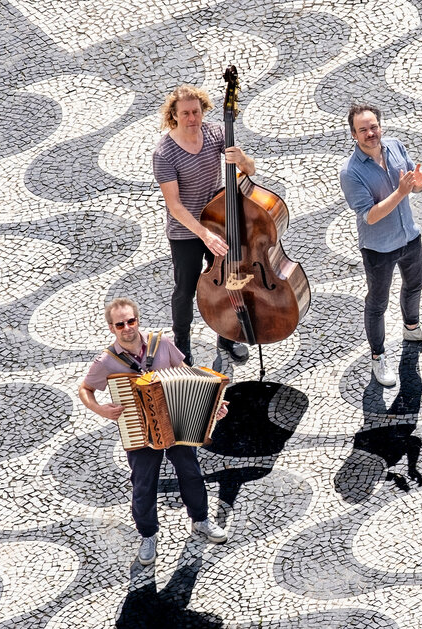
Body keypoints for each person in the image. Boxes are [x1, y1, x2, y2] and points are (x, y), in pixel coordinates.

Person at [78, 298, 229, 566]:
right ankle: (148, 535)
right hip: (138, 430)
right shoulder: (107, 362)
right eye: (120, 324)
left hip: (176, 422)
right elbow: (85, 389)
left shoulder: (163, 343)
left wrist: (211, 404)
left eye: (131, 321)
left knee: (191, 472)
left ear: (138, 320)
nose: (127, 327)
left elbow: (186, 374)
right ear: (111, 328)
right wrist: (100, 409)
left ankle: (201, 520)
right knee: (143, 485)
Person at [339, 104, 422, 387]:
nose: (370, 133)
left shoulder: (396, 146)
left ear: (380, 126)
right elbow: (370, 216)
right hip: (378, 247)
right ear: (353, 134)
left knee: (415, 284)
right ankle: (378, 356)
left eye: (373, 126)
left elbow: (414, 183)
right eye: (363, 129)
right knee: (377, 303)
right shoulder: (350, 172)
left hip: (409, 235)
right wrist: (401, 192)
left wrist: (418, 185)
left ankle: (412, 328)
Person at [153, 84, 256, 365]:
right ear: (174, 115)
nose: (192, 118)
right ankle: (182, 347)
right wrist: (204, 234)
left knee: (228, 282)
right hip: (185, 231)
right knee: (185, 290)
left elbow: (250, 170)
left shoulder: (215, 133)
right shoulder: (164, 153)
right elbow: (175, 205)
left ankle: (227, 336)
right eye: (185, 113)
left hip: (218, 221)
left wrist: (241, 159)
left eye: (196, 112)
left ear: (203, 111)